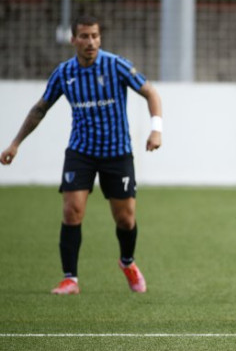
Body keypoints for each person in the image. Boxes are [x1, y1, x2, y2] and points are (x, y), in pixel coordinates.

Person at [0, 15, 162, 295]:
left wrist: (156, 129)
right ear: (73, 39)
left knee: (125, 219)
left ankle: (127, 262)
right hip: (81, 152)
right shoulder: (64, 73)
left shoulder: (115, 65)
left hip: (117, 152)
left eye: (95, 36)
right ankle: (70, 279)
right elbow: (41, 108)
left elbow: (150, 92)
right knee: (72, 211)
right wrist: (15, 143)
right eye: (85, 36)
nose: (91, 42)